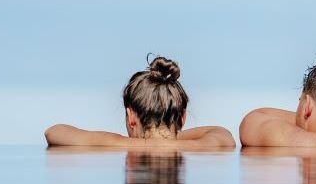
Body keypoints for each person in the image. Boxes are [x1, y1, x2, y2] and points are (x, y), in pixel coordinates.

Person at [45, 57, 236, 149]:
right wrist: (167, 138)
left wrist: (140, 143)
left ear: (131, 117)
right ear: (183, 117)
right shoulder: (201, 146)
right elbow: (223, 135)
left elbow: (55, 132)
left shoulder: (119, 145)